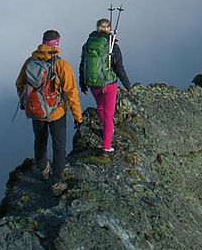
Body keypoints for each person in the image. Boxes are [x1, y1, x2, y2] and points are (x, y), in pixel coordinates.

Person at [16, 29, 83, 193]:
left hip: (36, 111)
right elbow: (71, 92)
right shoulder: (61, 65)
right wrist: (78, 117)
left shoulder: (30, 62)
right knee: (59, 146)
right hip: (56, 112)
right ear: (57, 44)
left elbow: (19, 84)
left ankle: (43, 169)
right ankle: (56, 182)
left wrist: (28, 102)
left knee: (40, 140)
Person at [80, 17, 133, 154]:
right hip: (109, 84)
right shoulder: (112, 46)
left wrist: (83, 84)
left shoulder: (88, 44)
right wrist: (128, 85)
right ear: (108, 28)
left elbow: (83, 65)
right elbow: (119, 67)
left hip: (93, 83)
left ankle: (106, 131)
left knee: (101, 107)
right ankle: (106, 145)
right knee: (109, 114)